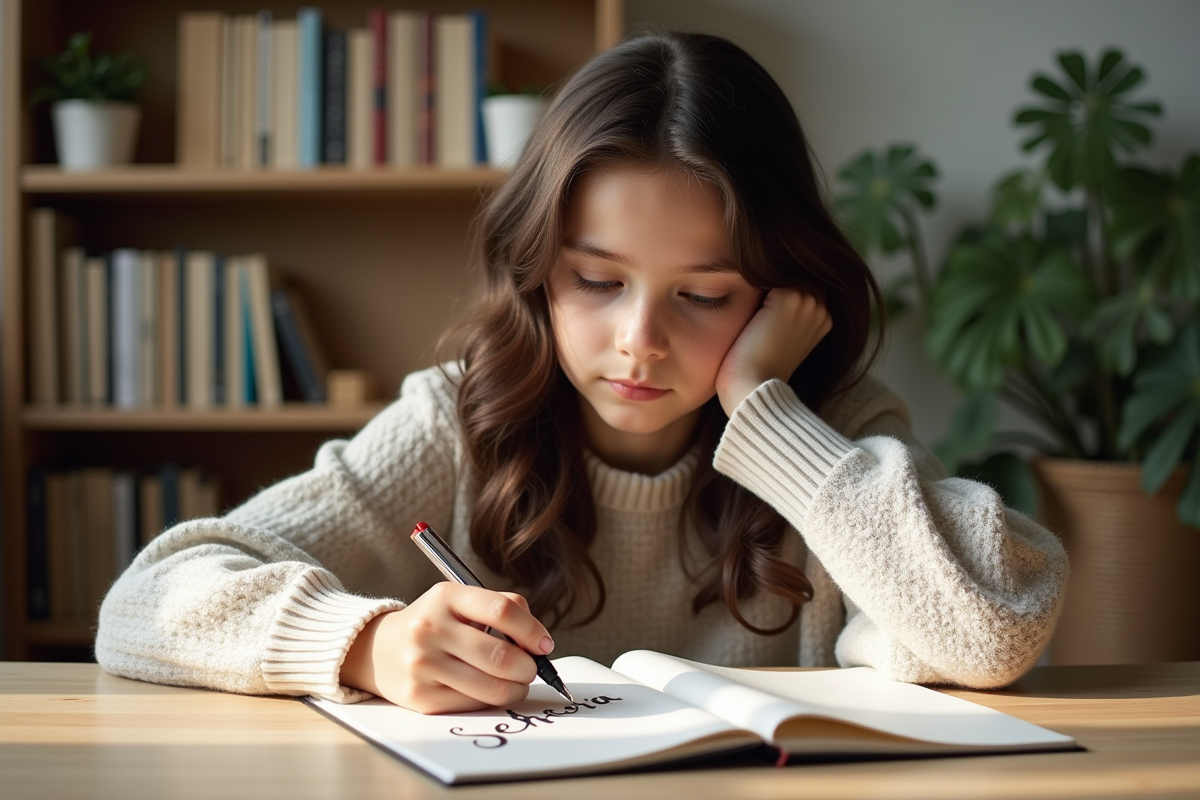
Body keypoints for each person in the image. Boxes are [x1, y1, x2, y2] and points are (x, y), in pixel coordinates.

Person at [96, 32, 1067, 714]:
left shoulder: (832, 431)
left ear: (780, 296)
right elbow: (149, 599)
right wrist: (371, 645)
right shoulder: (459, 421)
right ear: (538, 271)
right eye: (597, 279)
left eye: (705, 295)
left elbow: (990, 626)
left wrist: (769, 418)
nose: (638, 340)